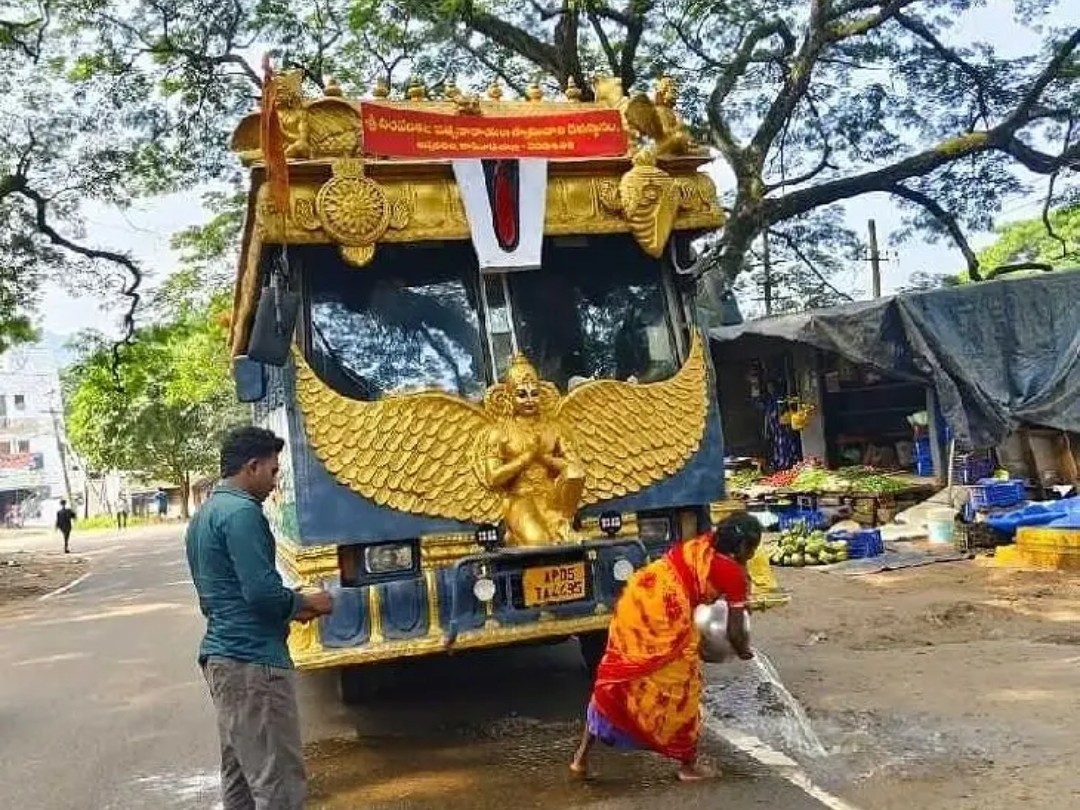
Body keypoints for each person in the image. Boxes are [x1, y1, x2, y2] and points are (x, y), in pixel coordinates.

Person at [186, 426, 334, 810]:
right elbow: (262, 593)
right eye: (272, 471)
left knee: (241, 783)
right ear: (252, 466)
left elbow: (225, 594)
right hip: (254, 666)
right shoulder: (242, 514)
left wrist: (291, 608)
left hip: (224, 661)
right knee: (279, 785)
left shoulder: (204, 517)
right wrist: (308, 602)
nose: (274, 482)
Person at [570, 513, 761, 782]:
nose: (752, 554)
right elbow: (734, 631)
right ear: (742, 548)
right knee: (682, 688)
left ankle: (580, 758)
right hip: (666, 616)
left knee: (616, 676)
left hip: (639, 600)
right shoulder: (732, 572)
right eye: (752, 548)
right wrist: (744, 651)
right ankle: (688, 764)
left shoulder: (702, 546)